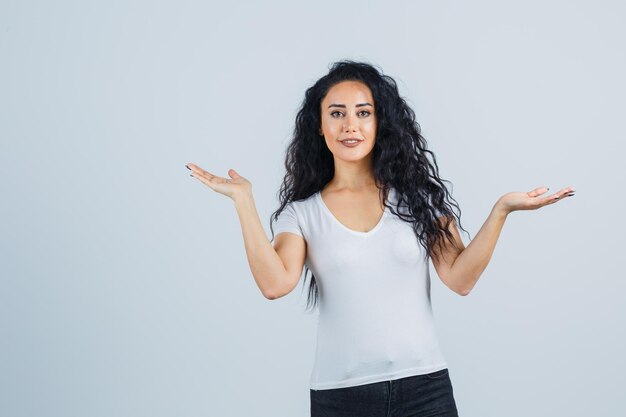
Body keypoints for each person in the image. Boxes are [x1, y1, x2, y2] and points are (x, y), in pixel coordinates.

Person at [186, 60, 574, 417]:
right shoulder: (302, 213)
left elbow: (460, 279)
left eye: (363, 113)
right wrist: (243, 200)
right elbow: (274, 284)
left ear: (379, 122)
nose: (350, 126)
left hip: (426, 390)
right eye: (336, 113)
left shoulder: (418, 198)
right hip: (341, 397)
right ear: (319, 126)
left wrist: (501, 211)